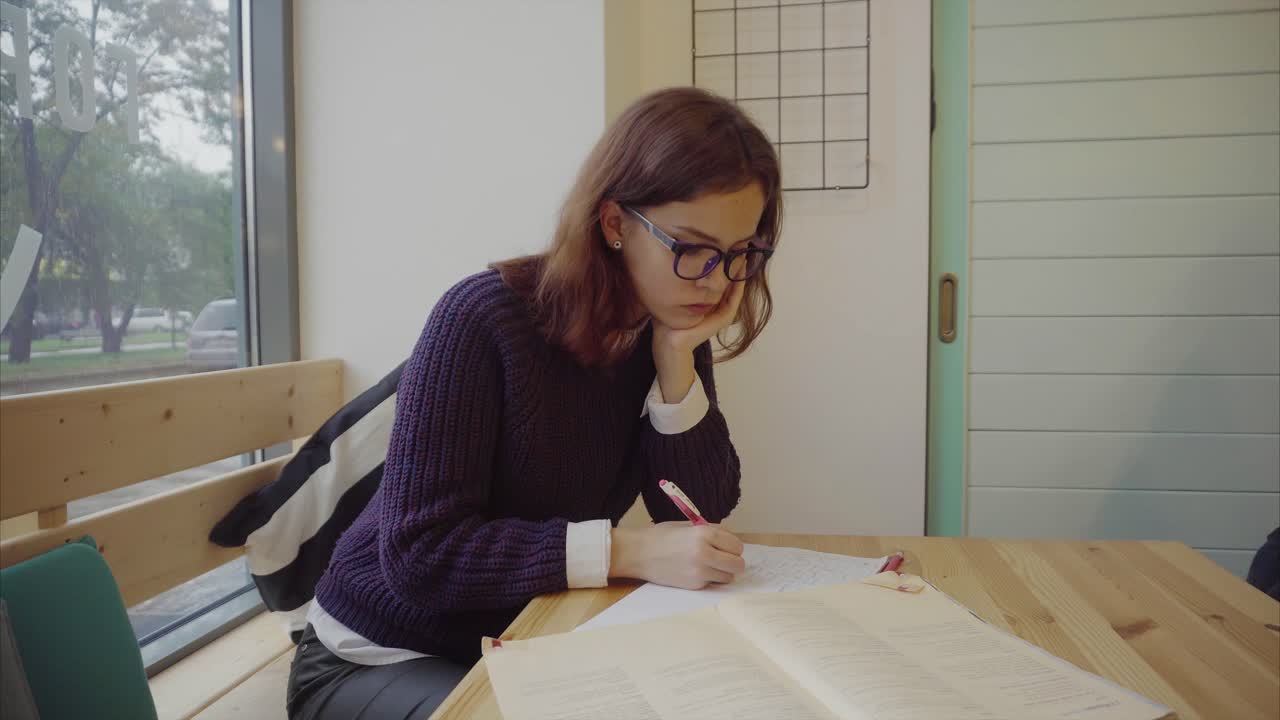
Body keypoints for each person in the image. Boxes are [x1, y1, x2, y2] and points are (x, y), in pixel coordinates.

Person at [285, 87, 782, 719]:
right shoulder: (482, 318)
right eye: (691, 248)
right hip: (377, 654)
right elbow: (421, 556)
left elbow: (697, 509)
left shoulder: (670, 327)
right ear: (615, 224)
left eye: (740, 253)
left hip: (517, 640)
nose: (715, 280)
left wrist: (676, 361)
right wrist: (625, 551)